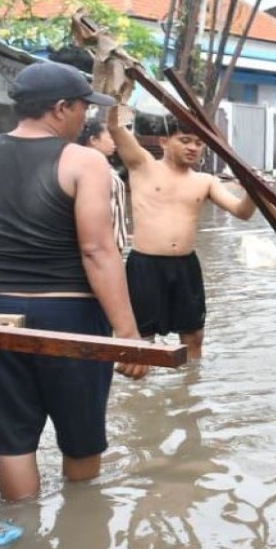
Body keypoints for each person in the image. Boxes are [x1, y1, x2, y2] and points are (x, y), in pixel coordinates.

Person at [0, 60, 149, 501]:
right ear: (61, 108)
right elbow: (98, 251)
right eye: (83, 109)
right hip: (69, 312)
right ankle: (82, 534)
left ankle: (21, 537)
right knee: (82, 433)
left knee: (12, 440)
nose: (85, 118)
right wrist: (128, 333)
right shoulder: (83, 161)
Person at [106, 106, 256, 359]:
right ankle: (142, 395)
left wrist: (253, 191)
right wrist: (117, 97)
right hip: (145, 266)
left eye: (199, 143)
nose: (193, 148)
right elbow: (115, 128)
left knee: (194, 338)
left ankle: (189, 393)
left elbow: (242, 212)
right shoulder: (142, 165)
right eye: (185, 140)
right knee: (141, 341)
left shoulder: (205, 181)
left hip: (186, 266)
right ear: (164, 141)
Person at [77, 117, 131, 253]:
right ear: (94, 140)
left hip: (114, 246)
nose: (115, 143)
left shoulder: (104, 165)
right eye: (110, 138)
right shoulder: (88, 170)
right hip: (102, 249)